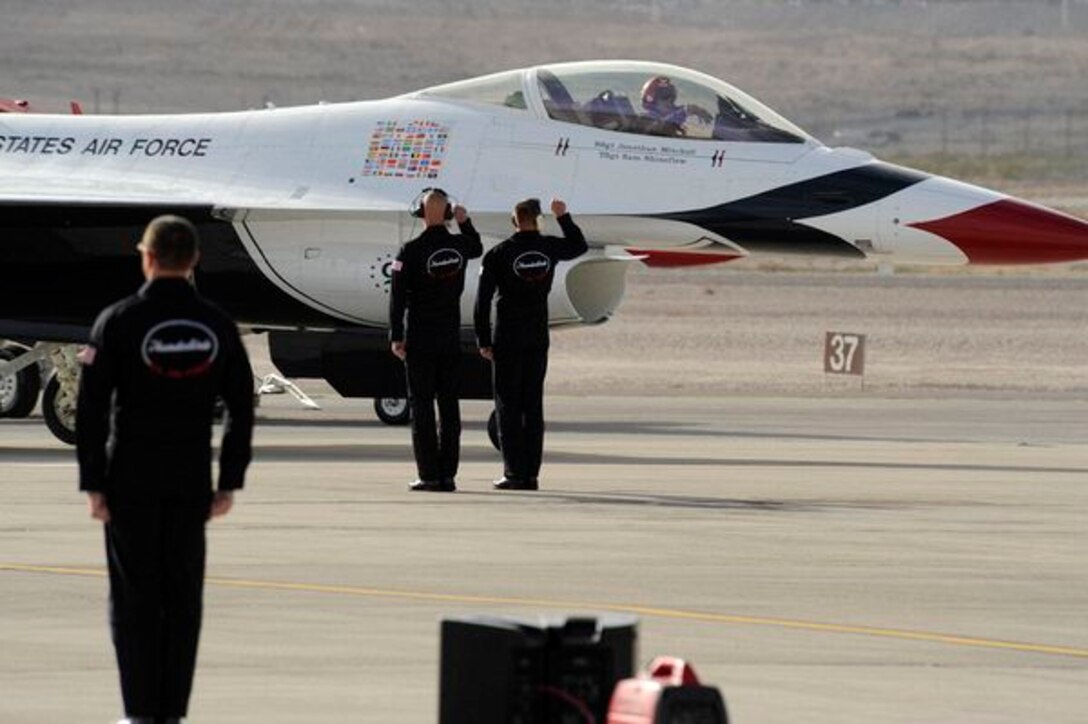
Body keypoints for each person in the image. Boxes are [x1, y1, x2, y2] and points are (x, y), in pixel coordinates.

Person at [76, 215, 255, 724]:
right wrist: (229, 482)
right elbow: (242, 406)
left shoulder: (118, 320)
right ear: (194, 259)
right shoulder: (217, 325)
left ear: (146, 256)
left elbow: (90, 408)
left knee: (134, 597)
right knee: (182, 597)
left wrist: (93, 482)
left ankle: (139, 712)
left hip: (130, 479)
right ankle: (172, 711)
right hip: (189, 479)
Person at [474, 198, 587, 491]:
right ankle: (531, 475)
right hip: (537, 335)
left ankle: (514, 473)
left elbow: (481, 301)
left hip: (508, 336)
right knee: (532, 404)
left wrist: (483, 339)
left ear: (514, 221)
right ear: (539, 220)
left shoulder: (498, 254)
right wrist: (564, 217)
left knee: (508, 404)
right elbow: (578, 246)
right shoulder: (548, 247)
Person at [389, 189, 483, 492]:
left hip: (420, 338)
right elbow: (477, 247)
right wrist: (463, 221)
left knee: (422, 407)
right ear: (447, 212)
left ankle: (429, 475)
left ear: (419, 211)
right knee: (449, 406)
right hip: (449, 337)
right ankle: (448, 475)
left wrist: (396, 335)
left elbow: (398, 296)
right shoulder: (459, 245)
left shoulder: (409, 250)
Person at [639, 75, 713, 137]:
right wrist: (685, 111)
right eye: (663, 97)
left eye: (671, 97)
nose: (668, 102)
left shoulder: (675, 115)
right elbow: (660, 127)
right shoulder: (644, 119)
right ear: (651, 100)